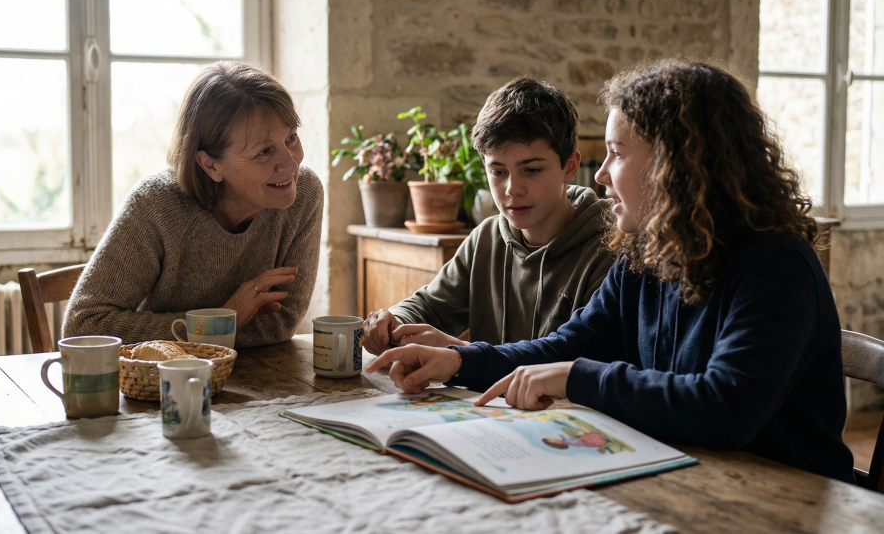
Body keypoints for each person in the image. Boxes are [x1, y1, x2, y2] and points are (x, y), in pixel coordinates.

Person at [367, 59, 856, 483]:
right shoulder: (645, 252)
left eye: (617, 154)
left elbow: (724, 409)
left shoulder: (776, 265)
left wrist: (577, 377)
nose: (600, 175)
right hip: (682, 475)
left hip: (784, 500)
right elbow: (567, 345)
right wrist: (462, 360)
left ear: (676, 164)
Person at [63, 61, 322, 348]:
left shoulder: (304, 194)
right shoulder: (156, 206)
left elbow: (279, 325)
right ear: (210, 165)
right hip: (160, 382)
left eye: (291, 138)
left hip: (252, 382)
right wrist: (222, 319)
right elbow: (82, 327)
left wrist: (204, 330)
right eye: (264, 152)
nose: (290, 163)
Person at [362, 77, 614, 355]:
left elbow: (574, 361)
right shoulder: (487, 237)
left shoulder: (608, 250)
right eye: (498, 171)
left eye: (531, 170)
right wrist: (392, 320)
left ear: (570, 166)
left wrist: (459, 354)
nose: (512, 189)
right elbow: (429, 306)